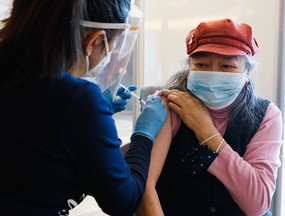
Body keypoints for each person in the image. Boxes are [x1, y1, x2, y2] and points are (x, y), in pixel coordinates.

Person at [0, 1, 167, 215]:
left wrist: (93, 121)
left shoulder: (14, 75)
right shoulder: (78, 98)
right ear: (94, 40)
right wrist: (144, 135)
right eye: (113, 44)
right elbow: (123, 200)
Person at [135, 18, 283, 216]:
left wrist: (206, 130)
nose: (213, 75)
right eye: (202, 64)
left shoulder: (266, 115)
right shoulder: (169, 105)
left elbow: (257, 203)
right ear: (189, 68)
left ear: (247, 72)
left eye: (227, 67)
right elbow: (145, 189)